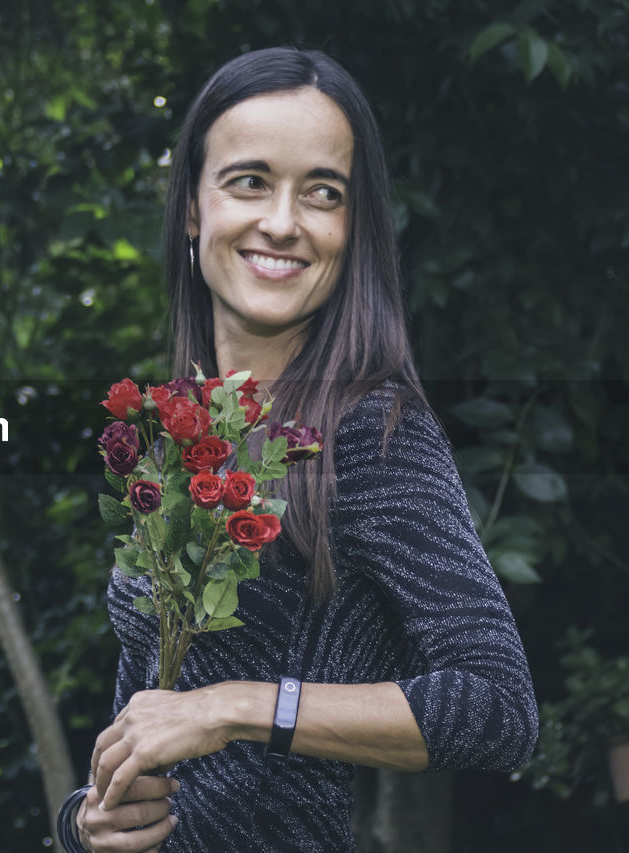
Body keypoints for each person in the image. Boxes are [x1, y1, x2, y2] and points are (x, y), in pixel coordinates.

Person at [55, 47, 539, 852]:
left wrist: (234, 706)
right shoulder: (181, 443)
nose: (283, 221)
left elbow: (498, 708)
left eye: (323, 193)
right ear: (190, 208)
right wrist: (86, 819)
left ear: (353, 229)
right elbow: (145, 719)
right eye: (249, 181)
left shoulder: (371, 434)